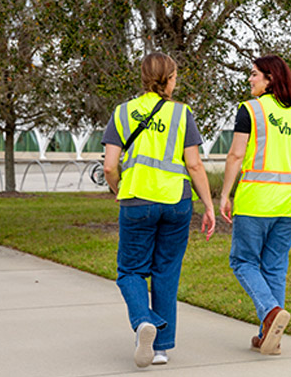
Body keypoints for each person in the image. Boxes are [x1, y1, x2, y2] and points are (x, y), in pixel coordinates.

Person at [102, 52, 216, 368]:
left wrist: (119, 189)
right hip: (177, 202)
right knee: (166, 271)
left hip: (137, 199)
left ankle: (143, 322)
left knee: (130, 270)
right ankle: (162, 348)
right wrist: (208, 205)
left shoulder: (122, 112)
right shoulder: (182, 114)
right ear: (169, 78)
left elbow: (110, 166)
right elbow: (194, 164)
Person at [219, 54, 291, 356]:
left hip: (257, 200)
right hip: (289, 201)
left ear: (270, 78)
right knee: (274, 267)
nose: (250, 79)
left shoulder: (250, 110)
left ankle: (271, 313)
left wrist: (224, 195)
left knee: (242, 261)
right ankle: (270, 337)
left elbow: (235, 156)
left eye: (254, 74)